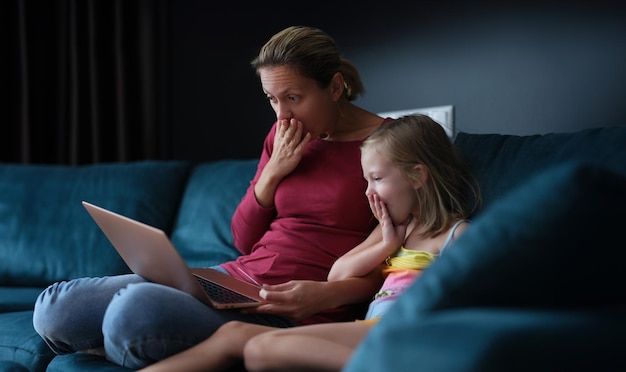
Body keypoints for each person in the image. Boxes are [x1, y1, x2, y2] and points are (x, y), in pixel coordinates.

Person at [32, 25, 389, 369]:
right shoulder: (282, 136)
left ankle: (127, 343)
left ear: (336, 86)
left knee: (134, 309)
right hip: (231, 280)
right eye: (272, 99)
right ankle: (133, 346)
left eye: (294, 98)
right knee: (56, 307)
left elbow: (409, 253)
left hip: (294, 310)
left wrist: (328, 295)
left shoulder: (391, 145)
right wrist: (273, 171)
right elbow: (243, 240)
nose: (282, 114)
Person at [138, 114, 482, 372]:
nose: (368, 192)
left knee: (260, 351)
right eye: (366, 180)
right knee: (234, 336)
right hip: (369, 331)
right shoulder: (396, 231)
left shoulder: (457, 236)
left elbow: (468, 308)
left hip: (401, 336)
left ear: (418, 175)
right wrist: (385, 243)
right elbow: (337, 274)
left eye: (377, 179)